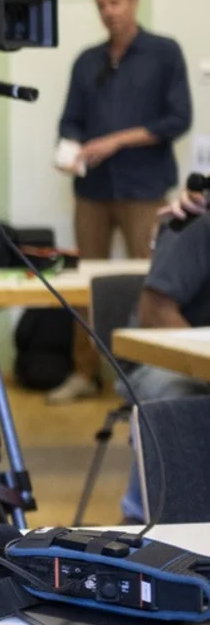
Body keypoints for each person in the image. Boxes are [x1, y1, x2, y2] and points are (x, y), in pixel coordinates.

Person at [50, 0, 193, 404]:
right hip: (92, 190)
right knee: (84, 285)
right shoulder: (87, 60)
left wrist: (116, 140)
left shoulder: (164, 53)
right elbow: (69, 120)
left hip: (145, 189)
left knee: (151, 283)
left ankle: (151, 373)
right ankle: (83, 372)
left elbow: (177, 119)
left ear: (134, 2)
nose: (108, 11)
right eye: (101, 4)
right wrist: (70, 150)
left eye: (115, 2)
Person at [120, 215, 210, 522]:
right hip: (165, 357)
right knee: (179, 399)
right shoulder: (195, 222)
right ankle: (144, 520)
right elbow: (154, 310)